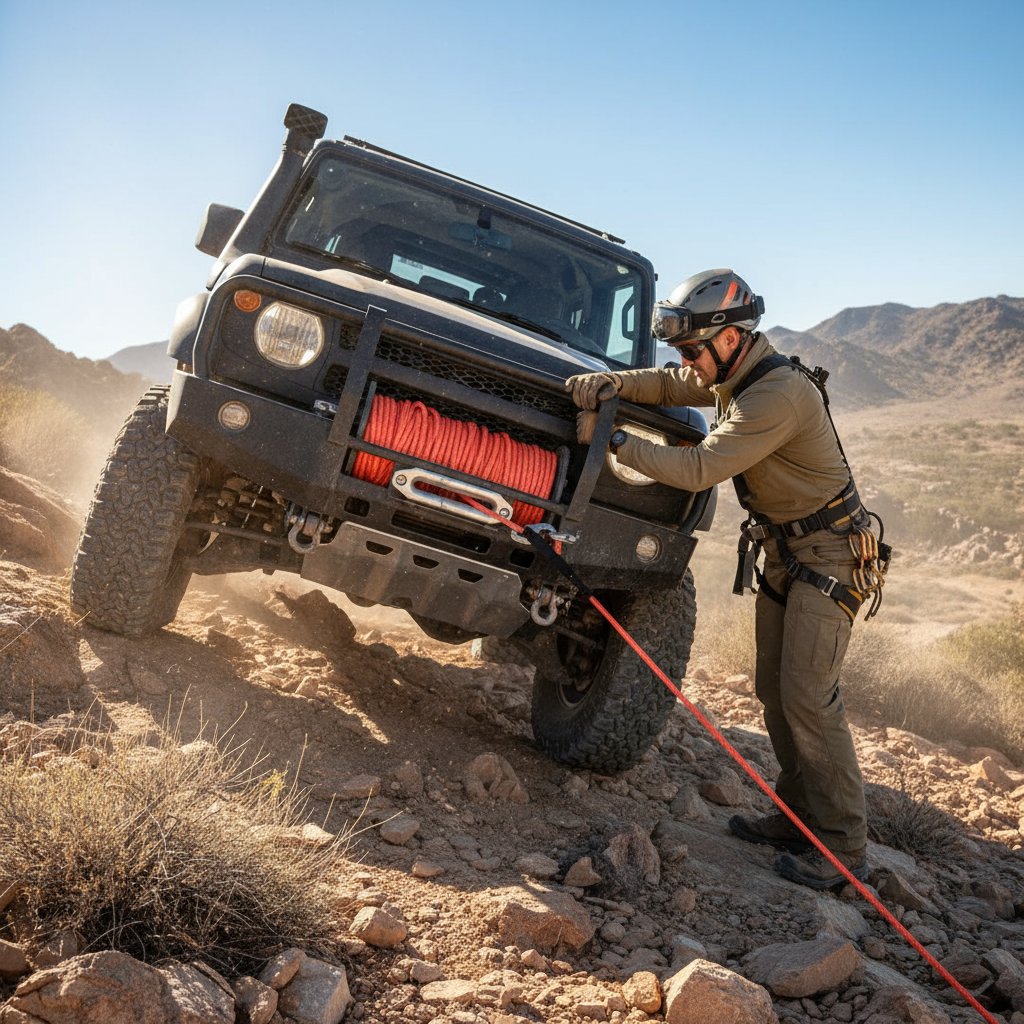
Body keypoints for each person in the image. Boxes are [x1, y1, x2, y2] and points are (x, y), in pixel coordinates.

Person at [566, 268, 878, 891]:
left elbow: (702, 467)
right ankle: (797, 818)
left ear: (731, 338)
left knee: (809, 698)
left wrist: (616, 439)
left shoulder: (775, 395)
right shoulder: (733, 375)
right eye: (680, 350)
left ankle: (843, 848)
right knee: (773, 689)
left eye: (692, 349)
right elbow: (668, 383)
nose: (686, 362)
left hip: (831, 557)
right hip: (789, 552)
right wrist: (611, 384)